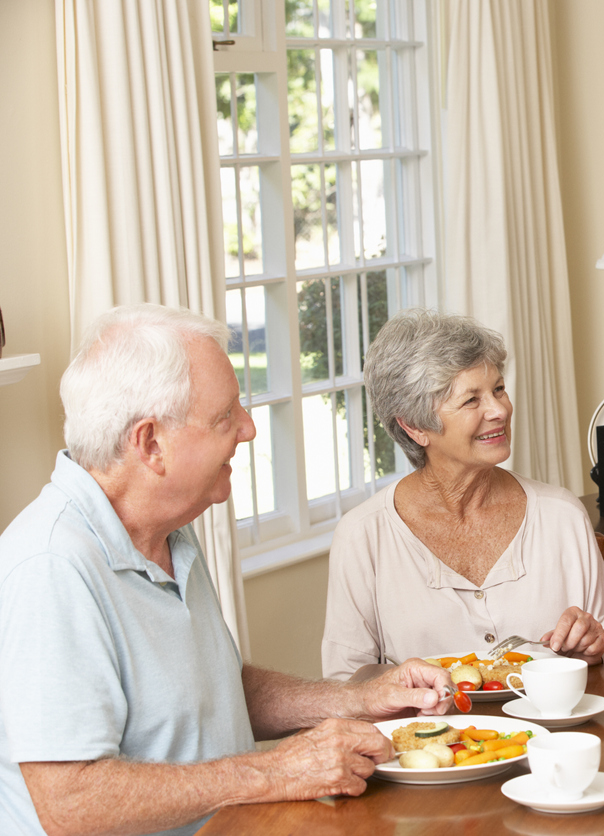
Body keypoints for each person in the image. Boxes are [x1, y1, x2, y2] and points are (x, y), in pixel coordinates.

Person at [0, 305, 457, 836]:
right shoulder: (50, 568)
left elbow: (213, 692)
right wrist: (275, 771)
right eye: (225, 417)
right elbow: (71, 802)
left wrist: (359, 700)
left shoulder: (169, 527)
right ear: (151, 444)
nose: (248, 429)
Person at [322, 309, 604, 679]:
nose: (499, 410)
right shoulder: (365, 535)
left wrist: (594, 646)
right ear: (415, 426)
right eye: (471, 400)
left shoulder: (561, 514)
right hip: (431, 736)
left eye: (498, 389)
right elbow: (346, 680)